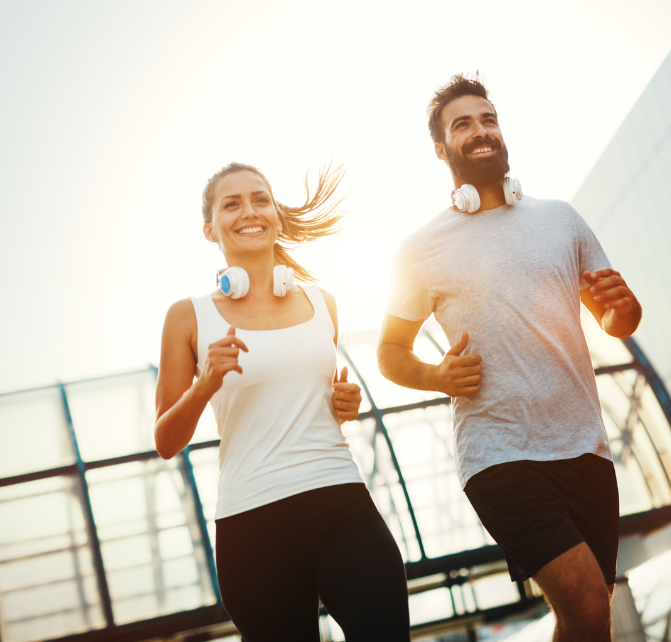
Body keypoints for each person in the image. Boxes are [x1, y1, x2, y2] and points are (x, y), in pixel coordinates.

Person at [377, 75, 642, 642]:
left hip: (585, 447)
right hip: (500, 455)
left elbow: (614, 320)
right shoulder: (420, 249)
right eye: (463, 124)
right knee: (586, 605)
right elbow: (389, 353)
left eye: (488, 119)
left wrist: (626, 309)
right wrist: (437, 375)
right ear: (441, 149)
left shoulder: (561, 218)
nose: (481, 131)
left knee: (590, 619)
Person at [155, 162, 410, 641]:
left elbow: (307, 404)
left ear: (276, 214)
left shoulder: (322, 302)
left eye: (260, 199)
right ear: (210, 228)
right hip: (251, 522)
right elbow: (166, 441)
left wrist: (343, 405)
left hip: (340, 500)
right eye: (231, 204)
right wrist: (205, 383)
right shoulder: (188, 317)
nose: (249, 211)